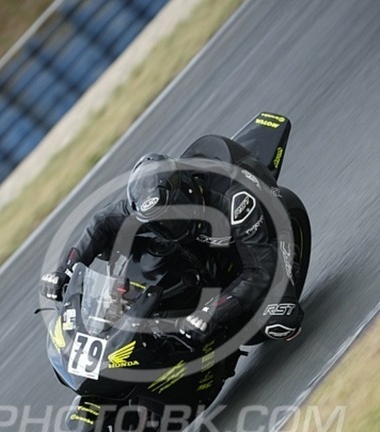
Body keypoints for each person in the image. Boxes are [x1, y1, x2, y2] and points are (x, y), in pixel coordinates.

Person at [40, 135, 303, 345]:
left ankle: (285, 279)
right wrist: (66, 270)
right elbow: (101, 222)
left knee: (281, 321)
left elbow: (259, 271)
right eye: (158, 222)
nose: (165, 227)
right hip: (200, 227)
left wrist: (214, 310)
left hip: (260, 220)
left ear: (186, 196)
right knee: (121, 239)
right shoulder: (145, 203)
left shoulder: (235, 202)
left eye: (171, 218)